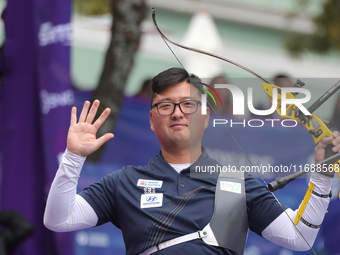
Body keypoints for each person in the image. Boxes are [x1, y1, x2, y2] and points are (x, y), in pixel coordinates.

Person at [44, 67, 339, 255]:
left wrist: (323, 177)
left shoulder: (238, 181)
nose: (177, 113)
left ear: (206, 116)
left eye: (188, 105)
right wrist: (73, 157)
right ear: (151, 120)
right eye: (165, 106)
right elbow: (58, 219)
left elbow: (300, 238)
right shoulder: (125, 181)